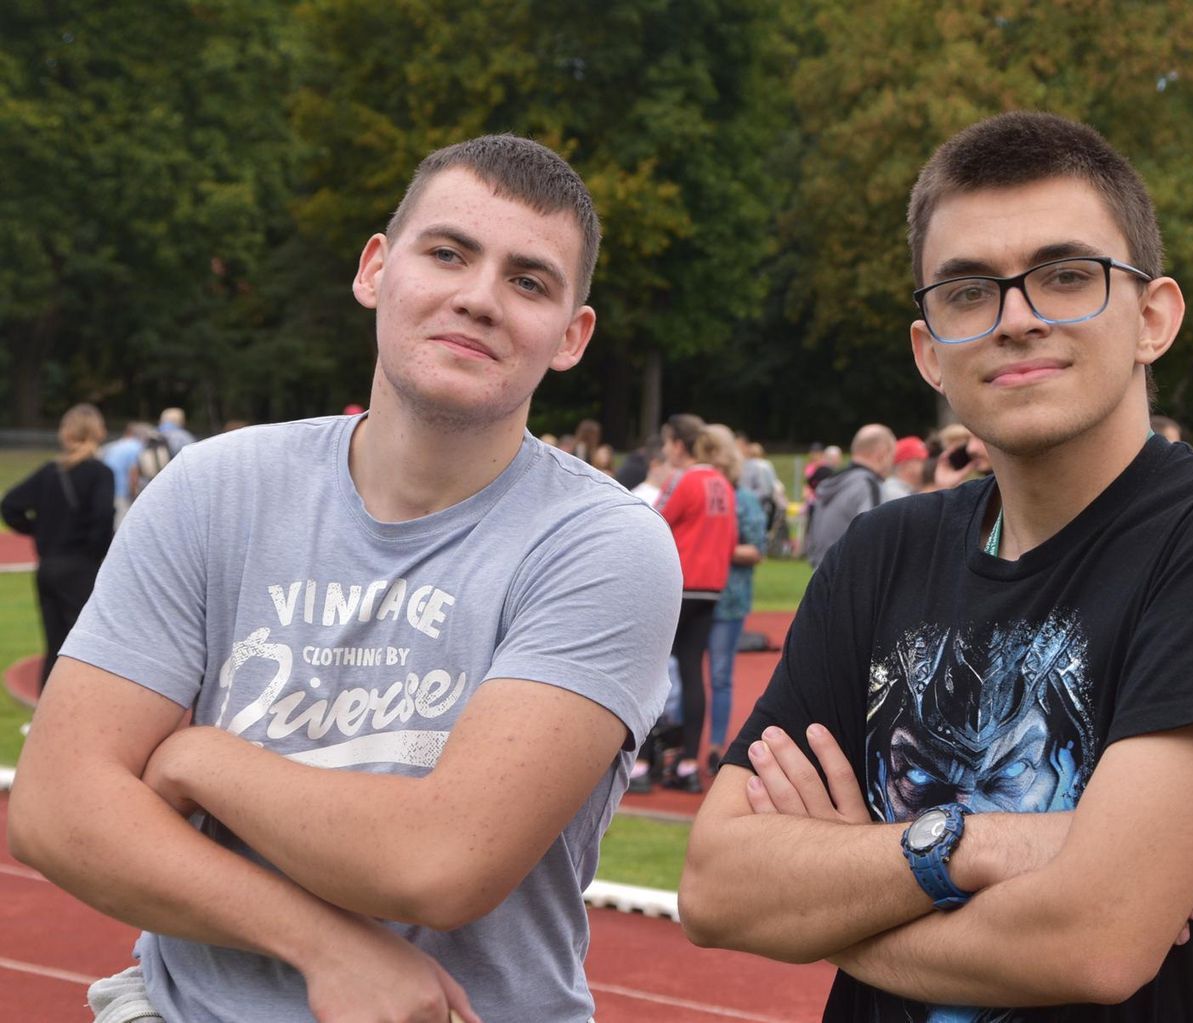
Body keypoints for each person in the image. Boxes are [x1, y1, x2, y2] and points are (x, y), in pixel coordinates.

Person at [681, 111, 1193, 1022]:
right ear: (929, 351)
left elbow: (1095, 939)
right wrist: (976, 844)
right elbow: (717, 887)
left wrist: (831, 897)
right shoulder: (881, 552)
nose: (1018, 318)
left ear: (1153, 317)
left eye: (1067, 276)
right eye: (968, 292)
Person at [9, 133, 682, 1023]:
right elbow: (55, 808)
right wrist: (323, 944)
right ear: (375, 269)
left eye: (528, 281)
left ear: (571, 336)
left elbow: (442, 860)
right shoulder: (215, 488)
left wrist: (202, 758)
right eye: (448, 253)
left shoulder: (603, 543)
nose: (479, 298)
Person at [631, 413, 737, 794]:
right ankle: (688, 762)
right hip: (711, 586)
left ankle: (642, 764)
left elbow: (654, 520)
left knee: (650, 669)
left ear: (678, 444)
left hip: (680, 582)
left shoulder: (684, 479)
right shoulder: (722, 482)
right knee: (693, 672)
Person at [1, 404, 116, 690]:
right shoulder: (100, 473)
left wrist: (40, 531)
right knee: (86, 648)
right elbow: (103, 518)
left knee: (54, 644)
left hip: (48, 567)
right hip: (80, 567)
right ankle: (82, 705)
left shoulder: (49, 472)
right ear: (98, 432)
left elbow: (10, 505)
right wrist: (94, 552)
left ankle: (46, 706)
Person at [701, 424, 768, 775]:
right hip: (691, 596)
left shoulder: (744, 499)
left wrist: (713, 545)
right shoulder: (693, 488)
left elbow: (756, 550)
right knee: (676, 673)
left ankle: (715, 746)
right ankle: (674, 742)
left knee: (720, 673)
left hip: (727, 598)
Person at [803, 424, 896, 567]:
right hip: (851, 575)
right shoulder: (868, 485)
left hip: (821, 573)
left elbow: (812, 541)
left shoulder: (831, 483)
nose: (892, 463)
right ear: (882, 454)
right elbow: (874, 542)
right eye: (892, 456)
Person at [97, 421, 149, 528]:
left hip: (107, 489)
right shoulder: (137, 447)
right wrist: (134, 495)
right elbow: (133, 473)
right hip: (121, 492)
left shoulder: (115, 444)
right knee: (121, 526)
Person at [882, 436, 930, 501]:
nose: (926, 464)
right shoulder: (893, 492)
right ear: (905, 464)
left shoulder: (910, 489)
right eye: (920, 460)